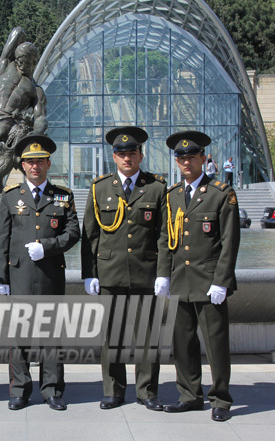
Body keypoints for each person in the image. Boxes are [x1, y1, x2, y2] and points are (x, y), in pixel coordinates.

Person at [80, 126, 170, 411]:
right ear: (114, 156)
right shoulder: (100, 187)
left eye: (132, 153)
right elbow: (90, 235)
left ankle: (146, 392)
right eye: (121, 154)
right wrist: (89, 273)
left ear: (141, 156)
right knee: (113, 336)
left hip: (145, 271)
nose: (127, 158)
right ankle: (113, 390)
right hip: (111, 271)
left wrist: (163, 273)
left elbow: (163, 234)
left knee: (147, 336)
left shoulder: (156, 187)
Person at [0, 134, 80, 411]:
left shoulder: (62, 197)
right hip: (18, 276)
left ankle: (52, 389)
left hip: (50, 274)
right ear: (22, 165)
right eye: (30, 162)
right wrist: (0, 279)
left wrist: (48, 246)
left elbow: (73, 232)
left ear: (48, 164)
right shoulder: (10, 198)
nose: (35, 167)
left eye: (40, 161)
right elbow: (1, 241)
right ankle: (19, 389)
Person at [163, 131, 240, 422]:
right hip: (180, 279)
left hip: (209, 282)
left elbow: (229, 243)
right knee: (182, 342)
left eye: (191, 157)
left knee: (216, 343)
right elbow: (167, 240)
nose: (185, 162)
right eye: (180, 158)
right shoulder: (173, 195)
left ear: (203, 159)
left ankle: (221, 398)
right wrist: (164, 275)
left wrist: (221, 280)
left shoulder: (221, 193)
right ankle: (190, 394)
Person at [0, 26, 47, 194]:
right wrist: (24, 46)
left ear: (34, 63)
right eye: (20, 61)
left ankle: (42, 197)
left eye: (28, 62)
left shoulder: (35, 89)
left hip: (9, 132)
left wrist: (32, 137)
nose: (23, 65)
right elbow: (17, 32)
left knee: (23, 166)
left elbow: (41, 118)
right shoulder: (3, 68)